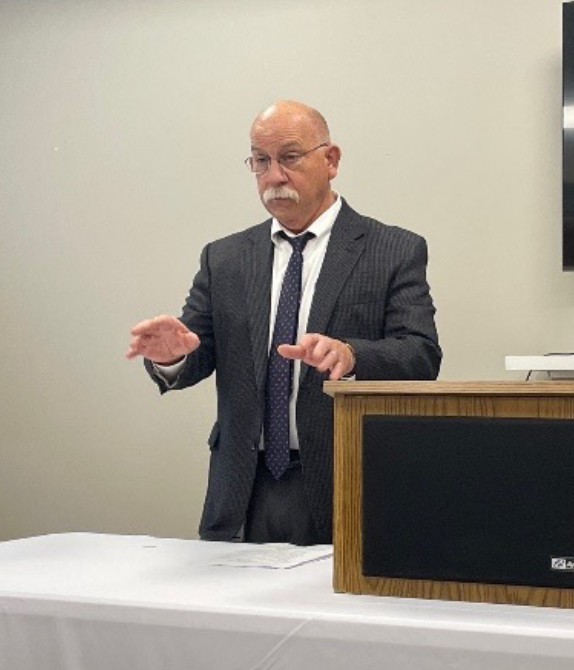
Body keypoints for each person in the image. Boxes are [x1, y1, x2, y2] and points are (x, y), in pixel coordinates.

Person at [126, 100, 442, 545]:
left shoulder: (393, 250)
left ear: (330, 160)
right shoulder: (225, 258)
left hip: (345, 482)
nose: (274, 176)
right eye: (261, 161)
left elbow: (421, 354)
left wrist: (352, 355)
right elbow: (198, 352)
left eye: (289, 157)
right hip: (242, 489)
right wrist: (173, 358)